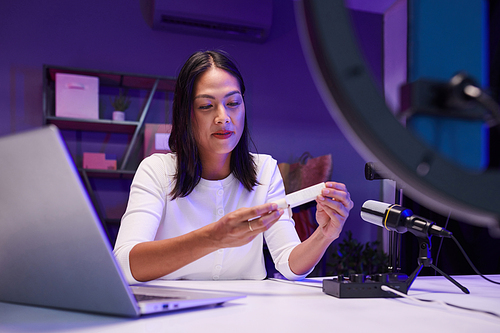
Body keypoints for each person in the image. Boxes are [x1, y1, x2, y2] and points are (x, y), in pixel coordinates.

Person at [113, 50, 354, 283]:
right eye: (206, 106)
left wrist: (324, 234)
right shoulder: (156, 170)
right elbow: (124, 264)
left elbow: (289, 265)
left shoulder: (264, 170)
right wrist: (213, 238)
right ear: (186, 114)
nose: (223, 117)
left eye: (233, 103)